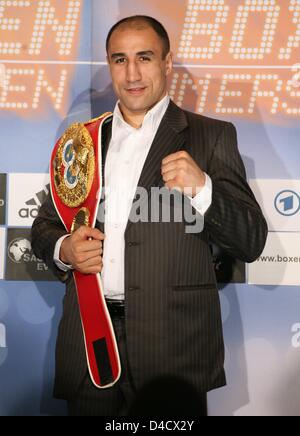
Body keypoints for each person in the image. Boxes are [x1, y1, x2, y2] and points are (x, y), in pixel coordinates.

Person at [31, 15, 268, 416]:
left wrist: (203, 188)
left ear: (167, 63)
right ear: (109, 66)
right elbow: (44, 225)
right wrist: (64, 248)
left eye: (145, 57)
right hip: (91, 339)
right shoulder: (82, 140)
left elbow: (251, 240)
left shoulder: (211, 135)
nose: (133, 73)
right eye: (120, 60)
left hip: (173, 346)